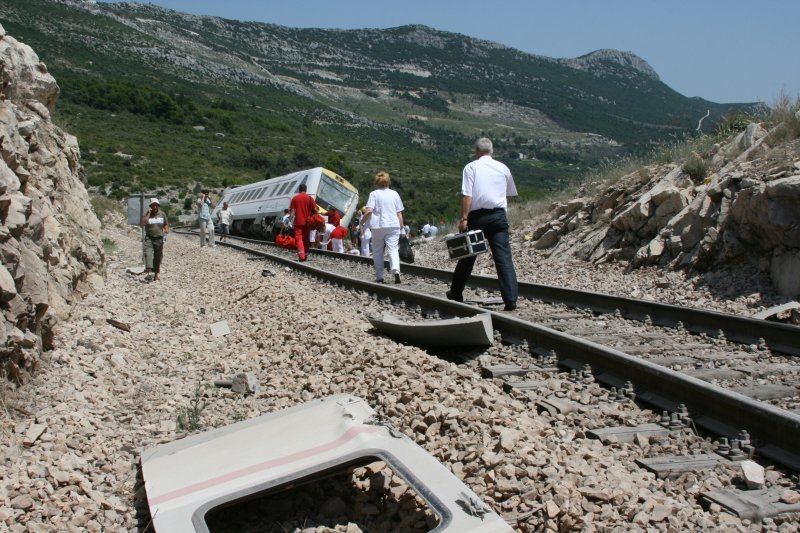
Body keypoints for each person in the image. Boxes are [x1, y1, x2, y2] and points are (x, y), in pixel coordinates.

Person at [448, 137, 519, 311]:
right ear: (491, 151)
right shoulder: (503, 168)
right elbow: (509, 193)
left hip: (477, 216)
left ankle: (456, 292)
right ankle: (510, 298)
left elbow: (467, 195)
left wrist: (464, 218)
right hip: (499, 216)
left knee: (468, 255)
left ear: (477, 151)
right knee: (503, 257)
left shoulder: (471, 167)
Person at [361, 171, 405, 284]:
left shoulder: (374, 194)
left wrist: (362, 222)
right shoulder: (395, 194)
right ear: (388, 181)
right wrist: (401, 228)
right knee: (393, 249)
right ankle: (395, 270)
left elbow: (369, 211)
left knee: (377, 251)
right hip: (393, 225)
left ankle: (380, 276)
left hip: (378, 226)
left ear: (377, 182)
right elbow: (399, 213)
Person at [140, 198, 169, 281]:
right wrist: (148, 214)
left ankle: (156, 274)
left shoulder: (162, 214)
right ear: (151, 206)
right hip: (149, 237)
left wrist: (166, 230)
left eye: (156, 205)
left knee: (157, 257)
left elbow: (166, 224)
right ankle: (149, 268)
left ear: (158, 206)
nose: (155, 207)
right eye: (153, 205)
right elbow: (143, 223)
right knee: (148, 252)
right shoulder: (147, 214)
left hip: (159, 238)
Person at [289, 183, 317, 261]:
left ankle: (301, 256)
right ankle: (305, 255)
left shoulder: (295, 198)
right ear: (306, 190)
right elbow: (315, 210)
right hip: (308, 222)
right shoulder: (310, 198)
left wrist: (289, 219)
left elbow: (293, 211)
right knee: (306, 239)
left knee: (299, 238)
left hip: (298, 222)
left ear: (299, 189)